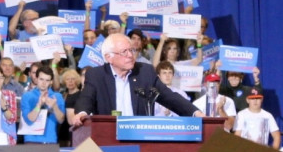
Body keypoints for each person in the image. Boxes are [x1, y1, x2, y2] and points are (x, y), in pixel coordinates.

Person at [72, 33, 201, 125]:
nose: (130, 55)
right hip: (108, 136)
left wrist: (194, 112)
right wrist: (82, 113)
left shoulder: (144, 72)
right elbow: (86, 99)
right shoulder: (96, 75)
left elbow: (169, 97)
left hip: (140, 136)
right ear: (108, 57)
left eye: (131, 50)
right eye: (124, 52)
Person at [20, 66, 65, 144]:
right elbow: (29, 120)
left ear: (51, 82)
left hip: (51, 141)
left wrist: (54, 107)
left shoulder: (57, 96)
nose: (44, 83)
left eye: (47, 80)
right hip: (31, 140)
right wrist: (38, 105)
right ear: (36, 79)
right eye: (41, 79)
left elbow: (61, 120)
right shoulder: (27, 96)